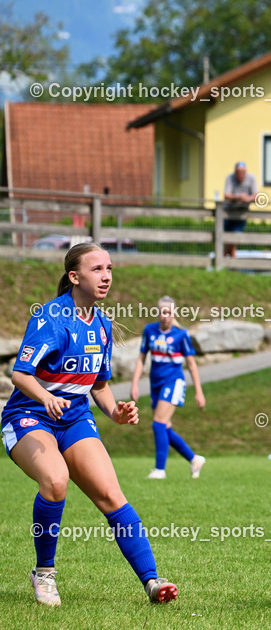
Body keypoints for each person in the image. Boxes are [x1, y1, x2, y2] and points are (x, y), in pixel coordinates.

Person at [1, 244, 178, 606]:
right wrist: (46, 398)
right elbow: (20, 374)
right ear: (74, 276)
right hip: (27, 416)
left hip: (75, 417)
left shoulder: (102, 324)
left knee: (112, 497)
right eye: (97, 268)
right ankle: (44, 573)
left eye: (109, 268)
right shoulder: (51, 316)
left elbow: (98, 384)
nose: (106, 275)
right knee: (55, 481)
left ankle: (152, 582)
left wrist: (115, 412)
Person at [130, 296, 207, 479]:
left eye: (169, 312)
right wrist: (134, 384)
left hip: (173, 382)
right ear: (158, 312)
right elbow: (141, 359)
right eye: (163, 311)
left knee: (158, 424)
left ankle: (160, 470)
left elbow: (192, 364)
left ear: (174, 314)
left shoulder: (181, 334)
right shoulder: (149, 330)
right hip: (155, 384)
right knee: (165, 428)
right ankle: (194, 459)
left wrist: (199, 391)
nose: (166, 315)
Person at [223, 161, 258, 259]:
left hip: (241, 214)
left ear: (245, 172)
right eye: (238, 172)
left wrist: (248, 198)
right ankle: (231, 265)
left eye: (242, 172)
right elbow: (226, 195)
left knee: (234, 238)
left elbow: (257, 196)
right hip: (228, 213)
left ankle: (223, 261)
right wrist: (238, 197)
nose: (240, 174)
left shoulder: (251, 178)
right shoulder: (230, 178)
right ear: (235, 172)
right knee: (229, 240)